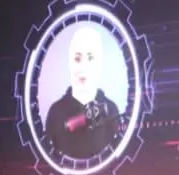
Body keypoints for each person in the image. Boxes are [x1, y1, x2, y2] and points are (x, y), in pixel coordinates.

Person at [43, 24, 123, 161]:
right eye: (77, 59)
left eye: (90, 58)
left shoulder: (111, 110)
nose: (83, 67)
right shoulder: (56, 112)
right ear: (69, 63)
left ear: (100, 63)